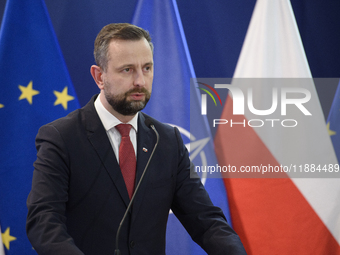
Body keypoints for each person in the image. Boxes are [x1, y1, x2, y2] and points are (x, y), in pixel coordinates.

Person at [26, 23, 246, 255]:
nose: (140, 81)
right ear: (99, 76)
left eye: (147, 68)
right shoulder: (62, 138)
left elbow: (207, 222)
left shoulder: (167, 141)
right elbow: (43, 223)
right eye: (127, 70)